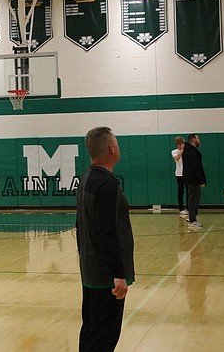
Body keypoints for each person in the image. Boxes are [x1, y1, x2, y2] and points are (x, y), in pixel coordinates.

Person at [76, 126, 134, 352]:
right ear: (111, 148)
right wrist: (118, 274)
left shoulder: (87, 179)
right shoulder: (107, 184)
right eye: (117, 143)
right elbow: (108, 233)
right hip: (106, 277)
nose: (118, 147)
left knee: (91, 330)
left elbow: (80, 226)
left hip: (91, 270)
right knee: (104, 337)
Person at [182, 134, 207, 229]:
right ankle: (192, 219)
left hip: (191, 179)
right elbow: (196, 168)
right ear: (193, 139)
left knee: (194, 199)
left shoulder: (189, 151)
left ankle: (192, 217)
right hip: (193, 180)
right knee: (193, 199)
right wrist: (201, 180)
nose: (199, 140)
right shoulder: (191, 152)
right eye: (197, 138)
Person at [172, 137, 187, 216]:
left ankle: (189, 207)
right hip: (179, 174)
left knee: (189, 191)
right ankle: (181, 208)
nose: (180, 146)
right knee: (180, 191)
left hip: (187, 174)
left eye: (181, 144)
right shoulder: (174, 152)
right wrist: (181, 151)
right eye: (178, 144)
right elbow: (177, 158)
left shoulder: (187, 151)